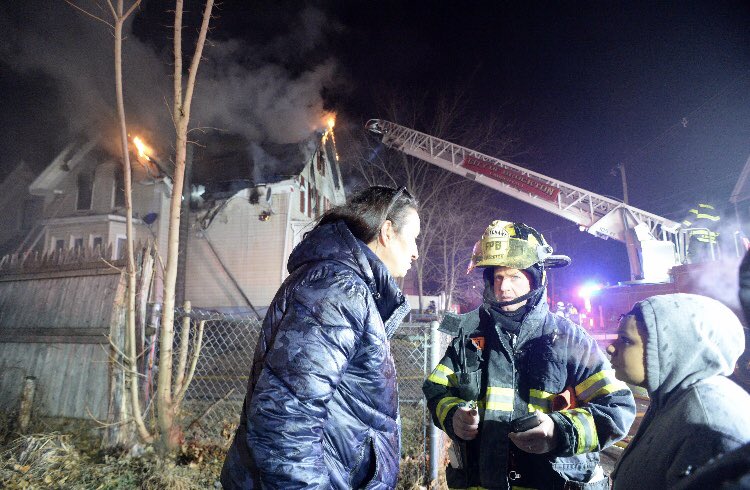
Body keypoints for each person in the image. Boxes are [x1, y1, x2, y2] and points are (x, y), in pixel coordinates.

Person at [221, 185, 420, 489]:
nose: (416, 252)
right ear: (388, 232)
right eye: (413, 237)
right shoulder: (337, 288)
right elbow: (287, 421)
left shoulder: (343, 284)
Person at [423, 220, 635, 490]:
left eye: (514, 277)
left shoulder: (569, 339)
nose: (503, 287)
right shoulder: (471, 339)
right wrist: (452, 415)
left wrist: (560, 431)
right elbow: (436, 389)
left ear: (535, 279)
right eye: (498, 277)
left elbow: (617, 407)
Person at [608, 293, 750, 489]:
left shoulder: (707, 426)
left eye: (626, 340)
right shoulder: (673, 399)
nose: (610, 348)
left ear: (673, 347)